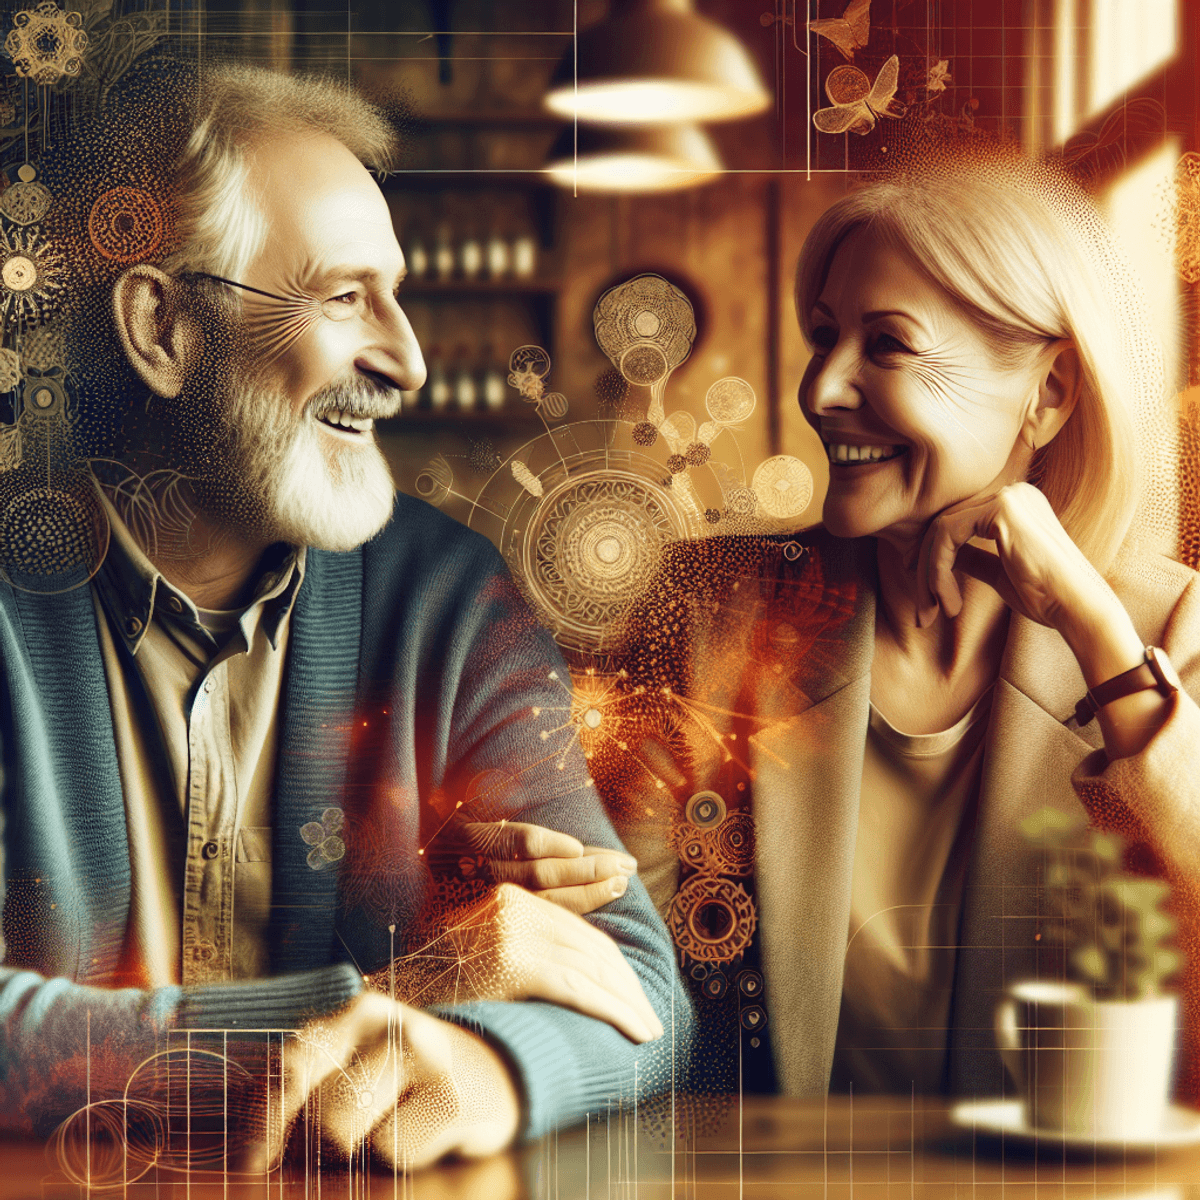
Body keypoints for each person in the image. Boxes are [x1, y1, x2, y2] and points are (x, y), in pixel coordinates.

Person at [0, 53, 687, 1168]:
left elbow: (638, 993)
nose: (407, 361)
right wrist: (396, 995)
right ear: (161, 330)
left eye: (400, 294)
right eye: (341, 295)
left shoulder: (451, 598)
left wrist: (480, 1065)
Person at [595, 157, 1200, 1103]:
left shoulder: (1170, 633)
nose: (821, 389)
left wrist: (1095, 631)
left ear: (1047, 394)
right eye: (824, 337)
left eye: (887, 345)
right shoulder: (713, 607)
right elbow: (613, 963)